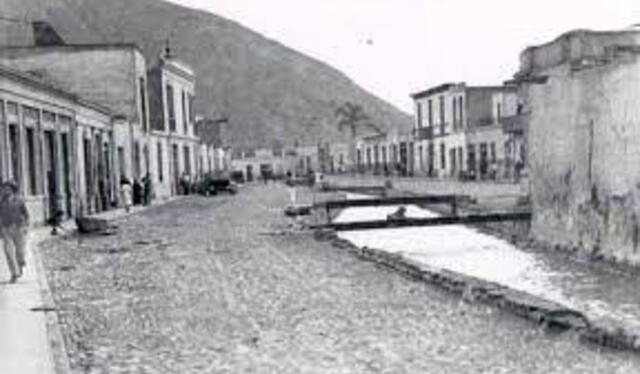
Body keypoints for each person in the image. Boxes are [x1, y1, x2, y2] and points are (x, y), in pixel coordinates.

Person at [0, 181, 29, 283]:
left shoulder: (20, 200)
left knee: (20, 252)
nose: (4, 190)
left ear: (12, 189)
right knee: (8, 252)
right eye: (3, 188)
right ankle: (14, 273)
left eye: (7, 188)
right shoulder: (1, 201)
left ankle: (20, 263)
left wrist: (26, 226)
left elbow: (26, 214)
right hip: (6, 228)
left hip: (18, 227)